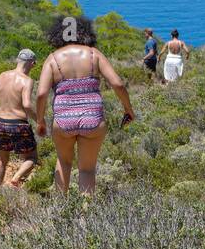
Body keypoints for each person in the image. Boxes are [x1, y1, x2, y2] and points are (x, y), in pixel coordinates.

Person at [34, 16, 135, 195]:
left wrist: (40, 121)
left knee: (64, 163)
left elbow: (41, 94)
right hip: (93, 119)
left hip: (63, 120)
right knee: (87, 170)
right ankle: (84, 219)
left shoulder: (52, 59)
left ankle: (60, 212)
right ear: (84, 32)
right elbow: (118, 84)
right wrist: (128, 110)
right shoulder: (94, 54)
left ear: (59, 34)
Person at [0, 50, 39, 188]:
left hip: (2, 123)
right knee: (31, 158)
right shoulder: (27, 81)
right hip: (19, 124)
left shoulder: (3, 75)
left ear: (17, 60)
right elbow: (27, 105)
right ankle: (16, 178)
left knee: (2, 160)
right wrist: (39, 120)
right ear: (32, 64)